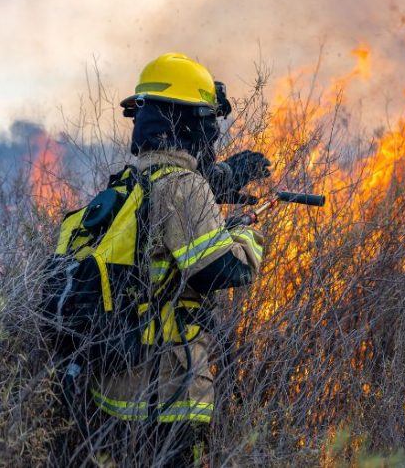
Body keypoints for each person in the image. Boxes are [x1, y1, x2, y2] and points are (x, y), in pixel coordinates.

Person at [86, 52, 271, 466]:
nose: (213, 133)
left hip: (114, 392)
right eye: (209, 119)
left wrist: (216, 183)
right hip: (166, 393)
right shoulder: (183, 187)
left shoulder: (129, 183)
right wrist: (245, 231)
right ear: (190, 122)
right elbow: (224, 269)